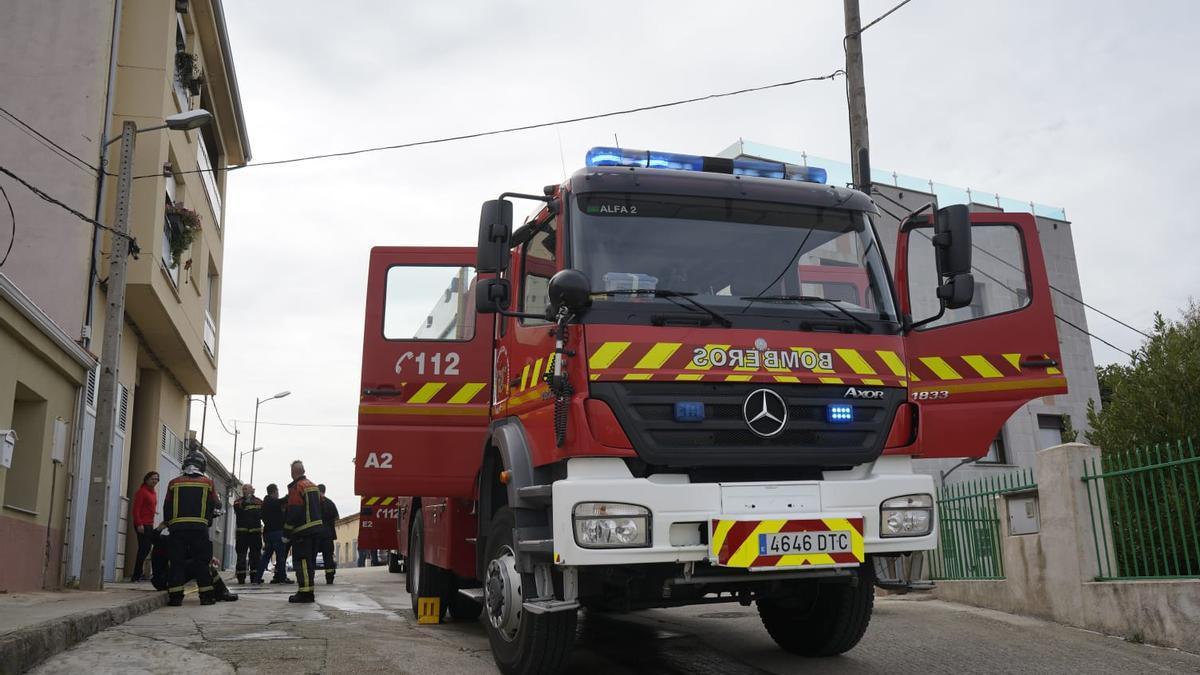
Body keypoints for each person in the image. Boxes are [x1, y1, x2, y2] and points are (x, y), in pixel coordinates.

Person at [162, 451, 221, 606]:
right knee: (201, 562)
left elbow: (167, 506)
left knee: (176, 563)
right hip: (199, 529)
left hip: (177, 530)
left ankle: (175, 598)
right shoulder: (208, 483)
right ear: (202, 465)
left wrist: (169, 523)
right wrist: (209, 517)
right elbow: (217, 504)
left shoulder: (174, 483)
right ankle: (206, 597)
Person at [151, 530, 238, 602]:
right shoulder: (165, 541)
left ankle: (221, 591)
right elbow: (152, 537)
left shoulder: (177, 543)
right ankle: (221, 592)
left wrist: (209, 557)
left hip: (167, 579)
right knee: (201, 564)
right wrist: (160, 527)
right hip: (163, 581)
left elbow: (191, 554)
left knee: (202, 562)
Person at [284, 460, 323, 603]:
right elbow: (321, 505)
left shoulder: (297, 487)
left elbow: (294, 511)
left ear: (293, 472)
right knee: (310, 563)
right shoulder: (313, 486)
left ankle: (305, 593)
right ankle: (307, 591)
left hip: (302, 531)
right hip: (316, 530)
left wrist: (286, 532)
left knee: (302, 563)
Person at [258, 483, 292, 584]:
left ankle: (257, 578)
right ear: (274, 491)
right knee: (281, 557)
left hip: (268, 534)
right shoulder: (272, 502)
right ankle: (282, 578)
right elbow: (282, 501)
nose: (278, 493)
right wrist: (290, 493)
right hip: (277, 533)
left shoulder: (265, 503)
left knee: (265, 557)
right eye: (277, 491)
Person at [129, 471, 159, 582]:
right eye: (152, 478)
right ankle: (136, 575)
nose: (154, 481)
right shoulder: (142, 492)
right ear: (146, 480)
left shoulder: (153, 492)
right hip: (142, 524)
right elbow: (136, 509)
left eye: (156, 479)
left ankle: (139, 574)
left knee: (146, 549)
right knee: (144, 549)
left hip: (149, 523)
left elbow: (149, 506)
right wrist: (139, 523)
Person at [233, 484, 264, 584]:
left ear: (252, 490)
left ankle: (255, 577)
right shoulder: (238, 501)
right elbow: (238, 508)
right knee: (241, 555)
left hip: (255, 533)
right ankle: (241, 577)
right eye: (243, 489)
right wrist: (248, 503)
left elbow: (262, 514)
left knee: (255, 556)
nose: (244, 491)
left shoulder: (259, 501)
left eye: (246, 489)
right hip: (242, 533)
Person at [317, 484, 339, 584]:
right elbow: (336, 517)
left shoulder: (314, 503)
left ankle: (310, 578)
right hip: (328, 534)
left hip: (316, 534)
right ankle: (329, 578)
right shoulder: (330, 503)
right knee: (328, 557)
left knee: (312, 556)